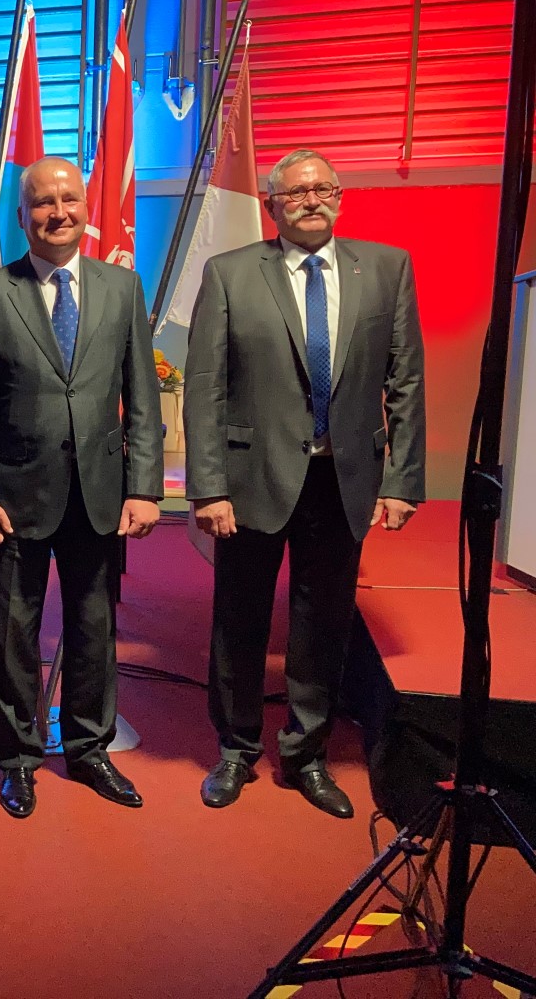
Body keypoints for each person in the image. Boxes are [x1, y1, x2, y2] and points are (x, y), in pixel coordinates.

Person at [184, 148, 426, 818]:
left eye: (324, 188)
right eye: (296, 192)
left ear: (340, 197)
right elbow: (204, 387)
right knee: (240, 618)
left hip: (343, 478)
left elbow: (405, 380)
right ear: (272, 206)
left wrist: (402, 479)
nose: (312, 199)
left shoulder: (386, 269)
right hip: (251, 476)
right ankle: (236, 749)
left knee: (324, 622)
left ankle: (305, 753)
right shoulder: (231, 273)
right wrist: (208, 487)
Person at [0, 156, 163, 819]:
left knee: (94, 628)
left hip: (99, 495)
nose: (58, 213)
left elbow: (143, 396)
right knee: (12, 632)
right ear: (22, 217)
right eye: (43, 203)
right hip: (12, 499)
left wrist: (144, 485)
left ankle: (90, 749)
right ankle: (17, 759)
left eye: (69, 200)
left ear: (87, 208)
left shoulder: (122, 288)